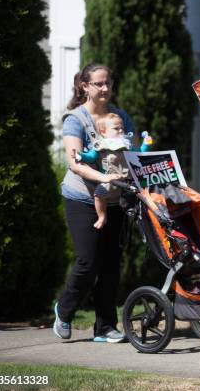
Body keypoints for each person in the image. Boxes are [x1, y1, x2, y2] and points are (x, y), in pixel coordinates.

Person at [53, 63, 137, 343]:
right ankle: (64, 311)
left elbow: (134, 153)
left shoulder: (120, 116)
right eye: (98, 84)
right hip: (82, 198)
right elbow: (75, 164)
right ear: (84, 87)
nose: (104, 88)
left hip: (115, 201)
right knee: (88, 262)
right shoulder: (75, 120)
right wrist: (104, 177)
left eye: (108, 83)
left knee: (111, 265)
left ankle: (105, 327)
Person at [78, 113, 152, 229]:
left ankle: (145, 217)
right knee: (98, 194)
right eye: (116, 128)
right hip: (110, 179)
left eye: (122, 128)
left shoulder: (127, 145)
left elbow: (139, 155)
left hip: (128, 180)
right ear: (103, 132)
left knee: (141, 196)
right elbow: (91, 157)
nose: (120, 130)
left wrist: (146, 145)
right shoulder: (101, 145)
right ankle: (102, 217)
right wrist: (81, 156)